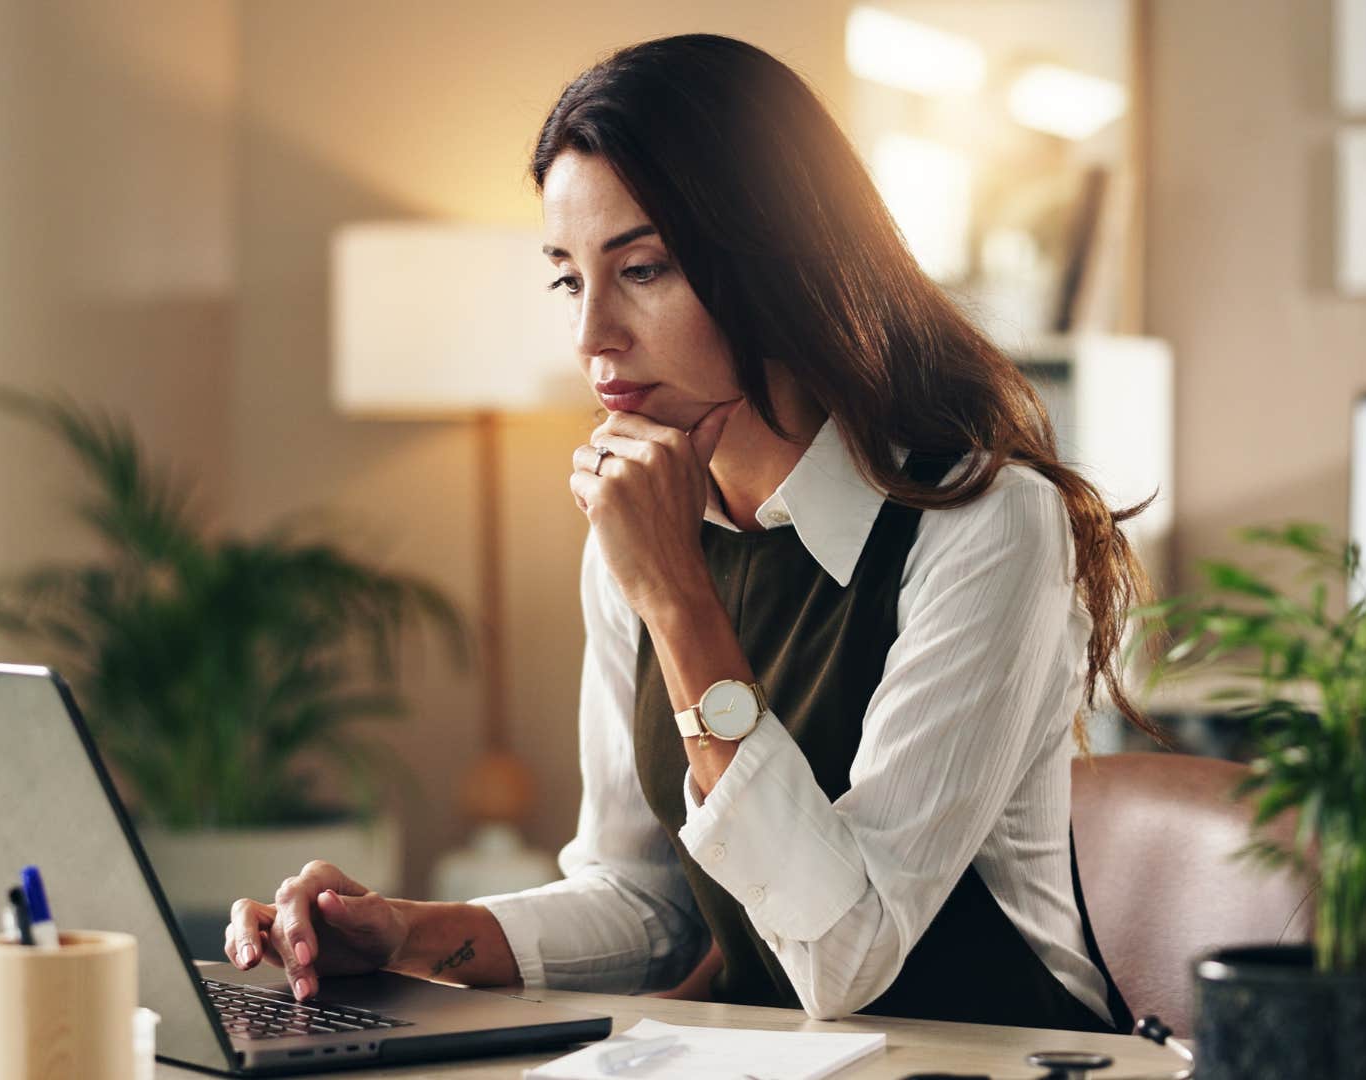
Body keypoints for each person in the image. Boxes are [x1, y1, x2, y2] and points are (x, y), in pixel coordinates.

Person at [223, 33, 1153, 1032]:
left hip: (1000, 1057)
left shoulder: (986, 524)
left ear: (778, 262)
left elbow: (851, 956)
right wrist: (405, 935)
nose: (592, 339)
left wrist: (676, 597)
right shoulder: (645, 530)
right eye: (570, 280)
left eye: (646, 269)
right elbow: (647, 905)